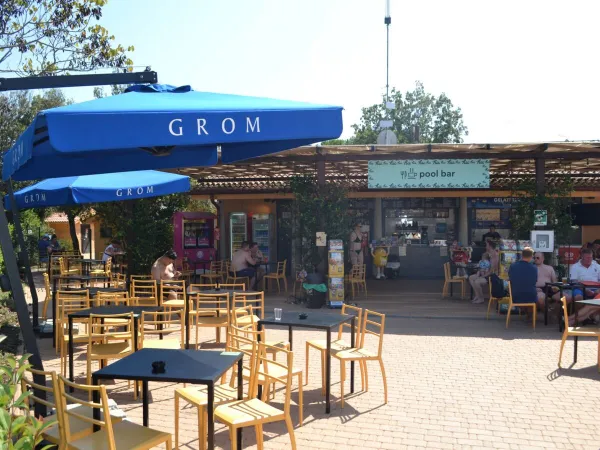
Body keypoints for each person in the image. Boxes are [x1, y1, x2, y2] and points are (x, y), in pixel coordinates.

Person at [568, 248, 600, 325]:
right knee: (579, 297)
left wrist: (597, 290)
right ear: (582, 257)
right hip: (580, 288)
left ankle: (569, 320)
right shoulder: (575, 267)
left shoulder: (597, 266)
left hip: (596, 288)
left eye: (591, 257)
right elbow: (574, 282)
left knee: (591, 307)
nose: (589, 259)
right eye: (587, 258)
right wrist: (584, 290)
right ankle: (575, 320)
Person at [469, 240, 499, 304]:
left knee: (477, 281)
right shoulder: (487, 253)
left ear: (490, 246)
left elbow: (491, 271)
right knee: (471, 277)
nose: (485, 247)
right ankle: (478, 295)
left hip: (492, 276)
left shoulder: (494, 255)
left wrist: (481, 276)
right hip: (485, 273)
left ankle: (481, 298)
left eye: (486, 245)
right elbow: (483, 265)